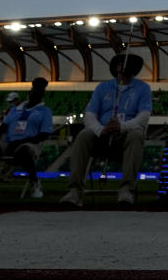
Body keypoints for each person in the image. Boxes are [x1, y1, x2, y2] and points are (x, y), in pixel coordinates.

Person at [60, 53, 152, 207]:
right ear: (117, 67)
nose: (126, 67)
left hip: (125, 135)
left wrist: (122, 126)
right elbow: (89, 114)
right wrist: (100, 129)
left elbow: (144, 116)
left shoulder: (143, 88)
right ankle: (75, 191)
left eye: (131, 65)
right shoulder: (103, 87)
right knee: (83, 135)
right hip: (101, 135)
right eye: (123, 64)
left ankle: (126, 190)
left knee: (137, 135)